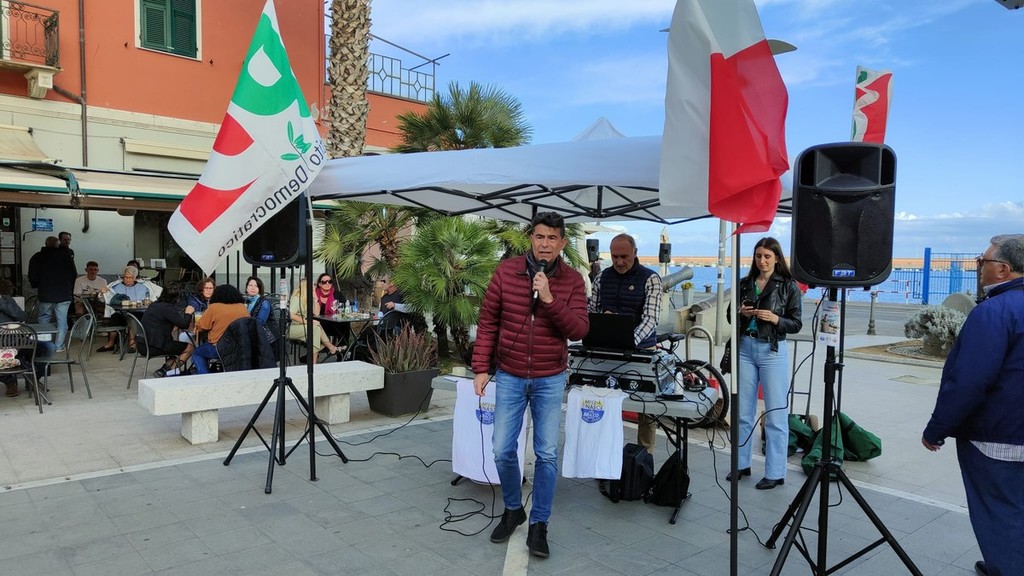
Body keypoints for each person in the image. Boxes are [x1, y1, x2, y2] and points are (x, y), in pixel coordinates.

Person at [471, 211, 589, 558]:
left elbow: (579, 330)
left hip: (550, 377)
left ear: (562, 243)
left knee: (547, 454)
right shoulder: (505, 272)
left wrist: (550, 299)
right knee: (501, 449)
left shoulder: (572, 280)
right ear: (531, 239)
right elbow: (488, 321)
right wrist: (481, 368)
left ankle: (540, 524)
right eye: (540, 237)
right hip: (509, 374)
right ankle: (513, 509)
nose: (545, 244)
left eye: (552, 238)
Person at [922, 234, 1024, 576]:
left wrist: (936, 429)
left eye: (983, 261)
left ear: (1003, 270)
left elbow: (969, 381)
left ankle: (1006, 566)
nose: (978, 267)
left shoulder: (994, 311)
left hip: (996, 438)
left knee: (999, 514)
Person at [729, 236, 802, 490]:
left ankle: (775, 471)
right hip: (745, 348)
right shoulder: (745, 283)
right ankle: (741, 464)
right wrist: (740, 313)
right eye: (758, 256)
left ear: (777, 258)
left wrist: (775, 319)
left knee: (776, 414)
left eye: (767, 256)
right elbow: (729, 316)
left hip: (772, 350)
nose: (762, 261)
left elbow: (796, 323)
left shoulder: (788, 286)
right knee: (742, 412)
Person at [588, 233, 662, 452]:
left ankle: (644, 457)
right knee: (603, 403)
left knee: (646, 408)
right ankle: (605, 455)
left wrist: (629, 339)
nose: (619, 262)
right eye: (615, 257)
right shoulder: (602, 278)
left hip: (642, 350)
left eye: (624, 257)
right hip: (608, 350)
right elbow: (592, 311)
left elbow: (651, 319)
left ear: (635, 253)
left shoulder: (651, 278)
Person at [27, 236, 77, 352]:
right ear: (57, 244)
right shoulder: (66, 256)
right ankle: (59, 346)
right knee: (62, 321)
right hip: (64, 294)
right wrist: (68, 287)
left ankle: (45, 346)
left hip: (46, 294)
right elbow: (73, 274)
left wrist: (37, 285)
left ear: (45, 244)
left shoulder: (37, 257)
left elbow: (32, 275)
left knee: (44, 319)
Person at [98, 265, 161, 352]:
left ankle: (132, 342)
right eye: (126, 277)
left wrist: (150, 300)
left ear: (135, 278)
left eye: (130, 278)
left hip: (139, 312)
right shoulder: (116, 286)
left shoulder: (144, 286)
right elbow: (104, 298)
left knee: (132, 317)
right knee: (114, 318)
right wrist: (103, 292)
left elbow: (158, 293)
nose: (127, 280)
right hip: (121, 312)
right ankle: (110, 343)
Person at [190, 284, 250, 374]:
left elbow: (202, 326)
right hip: (240, 348)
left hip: (219, 349)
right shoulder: (243, 307)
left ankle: (205, 376)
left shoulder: (214, 307)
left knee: (197, 353)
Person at [141, 282, 195, 377]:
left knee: (175, 346)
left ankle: (164, 369)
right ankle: (171, 372)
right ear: (177, 298)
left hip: (141, 344)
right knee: (190, 348)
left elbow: (162, 321)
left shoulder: (154, 305)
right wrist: (188, 313)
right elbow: (184, 325)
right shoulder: (168, 308)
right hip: (153, 346)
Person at [288, 277, 343, 363]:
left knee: (316, 328)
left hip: (304, 326)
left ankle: (315, 362)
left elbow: (316, 313)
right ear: (306, 286)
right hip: (293, 328)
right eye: (313, 284)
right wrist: (309, 322)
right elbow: (292, 315)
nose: (316, 286)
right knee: (315, 328)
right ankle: (331, 348)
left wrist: (316, 298)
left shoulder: (309, 298)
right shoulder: (297, 298)